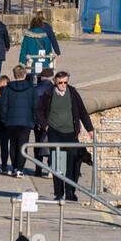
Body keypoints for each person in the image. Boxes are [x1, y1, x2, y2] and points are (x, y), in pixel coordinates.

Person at [34, 69, 94, 202]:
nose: (62, 85)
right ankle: (59, 193)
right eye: (60, 82)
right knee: (57, 164)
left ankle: (70, 192)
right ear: (55, 82)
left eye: (65, 82)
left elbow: (82, 111)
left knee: (72, 164)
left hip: (71, 133)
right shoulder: (48, 93)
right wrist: (45, 125)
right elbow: (39, 110)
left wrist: (89, 129)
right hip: (54, 132)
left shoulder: (72, 92)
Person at [0, 63, 36, 176]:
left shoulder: (7, 89)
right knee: (23, 145)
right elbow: (35, 106)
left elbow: (3, 106)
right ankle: (20, 168)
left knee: (13, 145)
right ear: (24, 75)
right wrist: (33, 120)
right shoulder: (31, 89)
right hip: (26, 121)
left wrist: (4, 120)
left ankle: (14, 167)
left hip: (11, 121)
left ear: (14, 75)